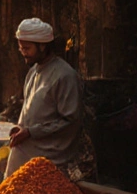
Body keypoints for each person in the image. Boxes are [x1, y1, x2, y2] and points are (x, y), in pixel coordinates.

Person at [6, 18, 84, 177]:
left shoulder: (65, 76)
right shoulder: (33, 72)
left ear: (42, 46)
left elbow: (70, 121)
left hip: (50, 155)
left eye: (27, 48)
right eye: (21, 48)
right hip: (27, 148)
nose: (23, 53)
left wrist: (31, 132)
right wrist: (21, 129)